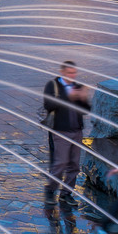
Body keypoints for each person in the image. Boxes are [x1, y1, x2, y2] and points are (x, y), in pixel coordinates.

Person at [43, 61, 91, 203]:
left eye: (74, 72)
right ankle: (50, 190)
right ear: (62, 72)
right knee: (61, 163)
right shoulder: (53, 85)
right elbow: (48, 105)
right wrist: (68, 97)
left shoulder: (78, 87)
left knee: (74, 165)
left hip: (76, 130)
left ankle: (66, 193)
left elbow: (85, 110)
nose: (73, 75)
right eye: (70, 73)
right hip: (61, 130)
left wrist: (82, 99)